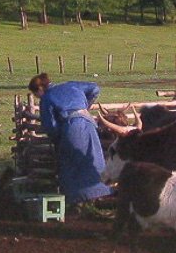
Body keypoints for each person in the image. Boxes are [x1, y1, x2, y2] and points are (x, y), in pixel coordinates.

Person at [28, 73, 113, 212]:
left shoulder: (47, 98)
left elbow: (50, 126)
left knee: (71, 163)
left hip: (71, 129)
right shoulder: (72, 85)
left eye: (36, 94)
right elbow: (95, 88)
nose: (37, 97)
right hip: (89, 124)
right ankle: (99, 195)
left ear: (40, 89)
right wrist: (85, 106)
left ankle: (77, 201)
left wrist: (57, 139)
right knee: (93, 157)